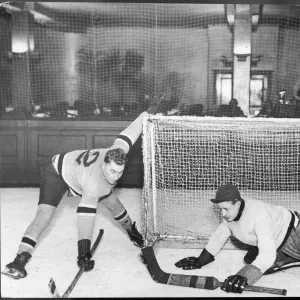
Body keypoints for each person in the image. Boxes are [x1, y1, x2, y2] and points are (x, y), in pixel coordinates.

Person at [2, 102, 161, 280]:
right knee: (44, 216)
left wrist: (145, 114)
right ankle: (19, 260)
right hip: (56, 172)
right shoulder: (94, 185)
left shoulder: (117, 152)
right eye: (112, 171)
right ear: (103, 164)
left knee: (113, 203)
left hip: (80, 174)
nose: (116, 177)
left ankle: (132, 232)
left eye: (120, 172)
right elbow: (85, 218)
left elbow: (130, 132)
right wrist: (83, 254)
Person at [175, 184, 300, 294]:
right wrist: (201, 259)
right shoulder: (230, 215)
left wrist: (244, 275)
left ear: (238, 204)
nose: (223, 214)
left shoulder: (259, 215)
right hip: (278, 242)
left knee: (259, 265)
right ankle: (289, 258)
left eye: (226, 209)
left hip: (294, 234)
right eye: (220, 209)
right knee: (251, 260)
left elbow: (268, 253)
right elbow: (219, 235)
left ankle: (293, 257)